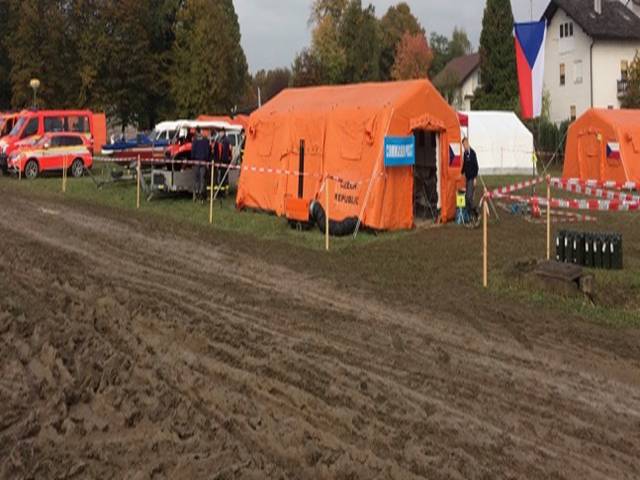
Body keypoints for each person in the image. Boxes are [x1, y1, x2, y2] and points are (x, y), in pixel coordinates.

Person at [191, 127, 211, 203]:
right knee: (202, 179)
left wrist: (192, 159)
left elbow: (193, 151)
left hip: (196, 162)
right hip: (203, 162)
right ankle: (202, 196)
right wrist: (207, 160)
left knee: (196, 179)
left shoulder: (195, 140)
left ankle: (195, 195)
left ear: (196, 132)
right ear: (201, 131)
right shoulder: (205, 140)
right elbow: (207, 151)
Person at [461, 137, 479, 218]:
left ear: (467, 143)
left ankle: (476, 212)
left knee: (469, 197)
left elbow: (476, 167)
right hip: (467, 178)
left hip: (472, 178)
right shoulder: (465, 154)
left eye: (464, 144)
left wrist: (475, 178)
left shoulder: (473, 153)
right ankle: (471, 215)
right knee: (468, 197)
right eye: (463, 145)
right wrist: (461, 173)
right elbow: (464, 165)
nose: (464, 146)